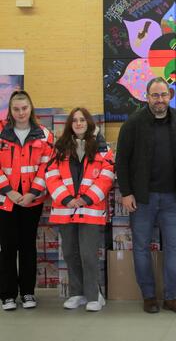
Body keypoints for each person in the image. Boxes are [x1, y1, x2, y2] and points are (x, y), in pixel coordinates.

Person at [115, 77, 176, 315]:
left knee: (173, 248)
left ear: (170, 96)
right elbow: (121, 161)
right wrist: (126, 192)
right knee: (141, 248)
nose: (160, 100)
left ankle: (172, 297)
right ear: (147, 97)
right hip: (142, 198)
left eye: (163, 95)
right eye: (155, 95)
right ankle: (149, 296)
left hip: (172, 197)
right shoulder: (133, 123)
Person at [45, 108, 114, 311]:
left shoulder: (102, 148)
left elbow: (107, 175)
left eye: (82, 119)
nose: (78, 123)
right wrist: (67, 199)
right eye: (74, 120)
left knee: (88, 254)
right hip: (65, 210)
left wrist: (86, 199)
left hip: (90, 210)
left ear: (89, 123)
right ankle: (77, 293)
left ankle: (94, 295)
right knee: (70, 253)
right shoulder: (59, 148)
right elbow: (51, 174)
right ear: (70, 124)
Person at [0, 90, 53, 311]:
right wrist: (8, 191)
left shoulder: (44, 135)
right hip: (5, 199)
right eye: (16, 109)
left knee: (28, 246)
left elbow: (46, 166)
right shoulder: (1, 132)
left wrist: (32, 192)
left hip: (32, 199)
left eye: (24, 108)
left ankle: (28, 292)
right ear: (10, 110)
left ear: (31, 108)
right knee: (7, 246)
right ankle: (7, 295)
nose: (21, 113)